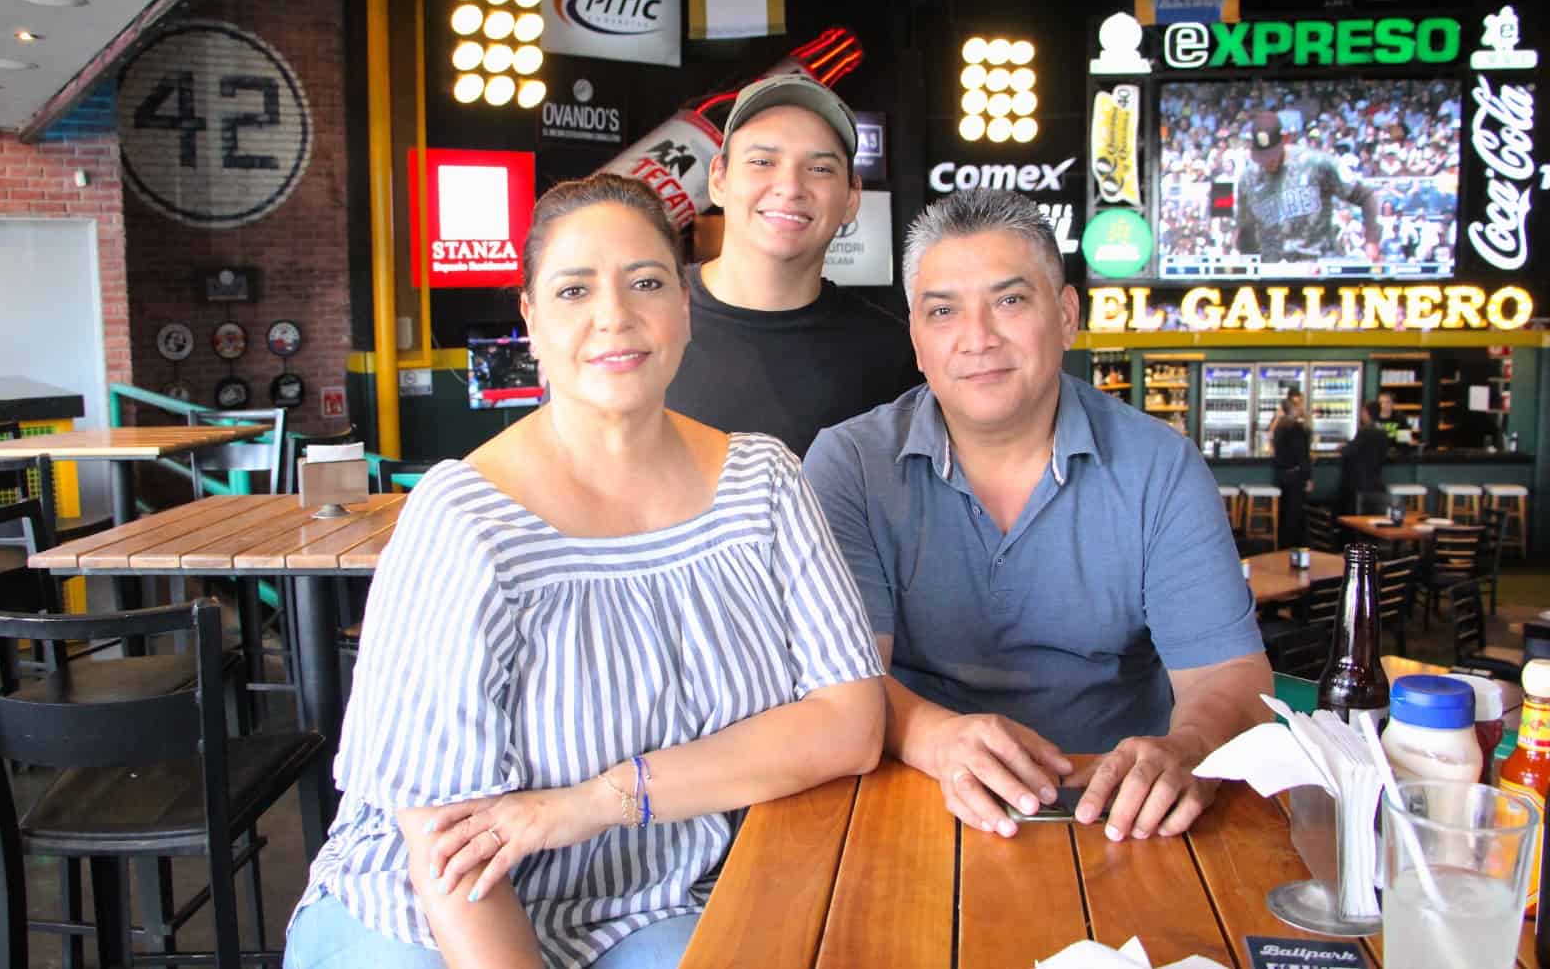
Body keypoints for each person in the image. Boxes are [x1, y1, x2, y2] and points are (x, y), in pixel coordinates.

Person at [284, 174, 885, 969]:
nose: (614, 316)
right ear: (530, 320)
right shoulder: (467, 521)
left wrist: (602, 802)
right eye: (574, 290)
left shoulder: (764, 482)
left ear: (683, 309)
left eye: (645, 283)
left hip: (655, 896)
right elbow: (446, 851)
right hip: (428, 914)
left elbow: (850, 722)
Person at [803, 188, 1271, 846]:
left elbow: (1232, 678)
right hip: (908, 794)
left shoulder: (1160, 466)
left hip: (1114, 813)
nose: (978, 338)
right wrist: (936, 737)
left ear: (1067, 314)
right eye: (943, 311)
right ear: (915, 337)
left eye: (1010, 301)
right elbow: (842, 680)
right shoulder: (850, 464)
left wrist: (1189, 747)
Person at [666, 73, 918, 456]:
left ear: (852, 197)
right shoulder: (645, 316)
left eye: (819, 169)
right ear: (718, 178)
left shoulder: (893, 356)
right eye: (763, 161)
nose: (790, 186)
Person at [1235, 110, 1383, 273]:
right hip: (1273, 268)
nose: (1267, 161)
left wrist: (1372, 242)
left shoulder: (1316, 163)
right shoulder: (1249, 177)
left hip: (1317, 263)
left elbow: (1366, 196)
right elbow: (1245, 229)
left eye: (1271, 154)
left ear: (1284, 140)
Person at [1271, 387, 1313, 548]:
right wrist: (1308, 477)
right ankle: (1293, 548)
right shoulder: (1296, 428)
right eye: (1299, 406)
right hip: (1296, 475)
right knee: (1294, 515)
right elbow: (1302, 454)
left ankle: (1282, 546)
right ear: (1294, 408)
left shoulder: (1280, 426)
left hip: (1282, 475)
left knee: (1285, 513)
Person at [1337, 399, 1389, 516]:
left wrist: (1342, 448)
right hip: (1375, 480)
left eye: (1362, 412)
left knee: (1354, 514)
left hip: (1359, 481)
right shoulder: (1383, 431)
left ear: (1366, 412)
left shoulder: (1365, 431)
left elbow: (1349, 451)